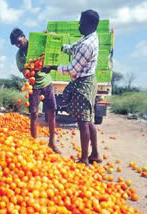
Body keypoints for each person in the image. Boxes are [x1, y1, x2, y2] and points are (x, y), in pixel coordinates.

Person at [43, 9, 101, 165]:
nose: (79, 24)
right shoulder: (88, 38)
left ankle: (84, 159)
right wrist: (56, 42)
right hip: (86, 81)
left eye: (82, 22)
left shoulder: (87, 45)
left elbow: (72, 69)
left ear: (91, 24)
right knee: (88, 121)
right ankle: (94, 153)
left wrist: (53, 67)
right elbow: (71, 49)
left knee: (83, 122)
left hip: (83, 84)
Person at [10, 28, 60, 154]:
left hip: (46, 82)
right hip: (34, 86)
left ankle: (52, 142)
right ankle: (34, 144)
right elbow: (25, 72)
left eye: (18, 41)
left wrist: (48, 34)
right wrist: (31, 68)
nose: (18, 45)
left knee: (51, 112)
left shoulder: (36, 44)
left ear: (23, 36)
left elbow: (53, 38)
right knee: (34, 114)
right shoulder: (19, 56)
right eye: (15, 44)